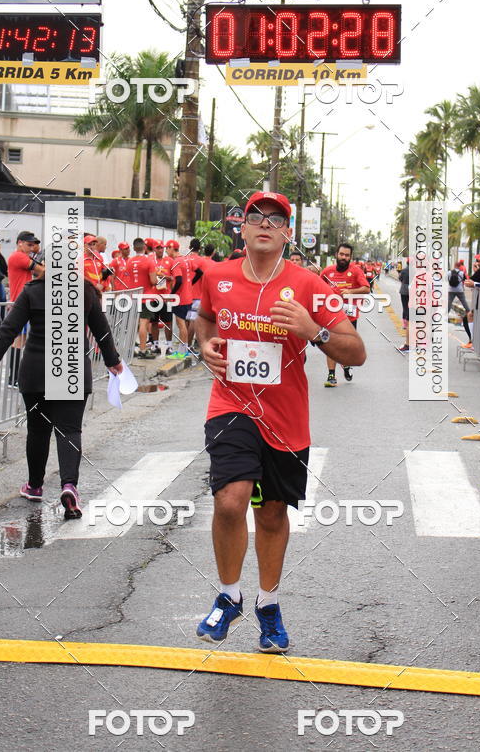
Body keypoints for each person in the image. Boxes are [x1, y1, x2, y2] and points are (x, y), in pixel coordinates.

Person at [195, 190, 365, 652]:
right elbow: (205, 319)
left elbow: (357, 352)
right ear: (242, 227)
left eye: (277, 218)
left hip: (286, 417)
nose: (265, 223)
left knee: (271, 514)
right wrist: (207, 345)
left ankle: (268, 605)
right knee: (231, 501)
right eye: (257, 216)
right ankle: (229, 595)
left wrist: (314, 330)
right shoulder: (218, 275)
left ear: (287, 232)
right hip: (230, 405)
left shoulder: (309, 285)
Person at [0, 275, 122, 519]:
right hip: (72, 369)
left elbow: (9, 328)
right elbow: (102, 330)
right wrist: (112, 360)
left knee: (38, 430)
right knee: (69, 430)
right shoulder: (85, 291)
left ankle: (35, 486)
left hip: (36, 370)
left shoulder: (33, 291)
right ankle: (69, 485)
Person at [320, 244, 370, 384]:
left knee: (346, 345)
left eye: (347, 255)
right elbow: (317, 285)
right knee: (329, 342)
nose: (343, 257)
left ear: (350, 257)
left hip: (350, 316)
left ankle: (346, 364)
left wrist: (351, 292)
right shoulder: (327, 271)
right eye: (341, 254)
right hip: (330, 314)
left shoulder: (356, 271)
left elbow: (366, 288)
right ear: (336, 254)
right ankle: (331, 375)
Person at [145, 241, 174, 356]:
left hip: (166, 296)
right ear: (154, 249)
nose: (161, 250)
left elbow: (173, 277)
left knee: (168, 322)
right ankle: (155, 345)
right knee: (154, 322)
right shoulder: (150, 261)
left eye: (162, 248)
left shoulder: (170, 261)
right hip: (153, 296)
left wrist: (164, 277)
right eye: (158, 248)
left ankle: (169, 346)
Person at [166, 240, 193, 359]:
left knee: (181, 325)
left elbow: (179, 280)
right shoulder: (185, 260)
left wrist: (171, 294)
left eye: (167, 248)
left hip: (180, 297)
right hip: (188, 296)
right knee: (184, 325)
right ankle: (184, 350)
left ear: (172, 249)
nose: (166, 251)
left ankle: (182, 352)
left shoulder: (176, 262)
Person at [447, 260, 472, 348]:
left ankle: (445, 314)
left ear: (454, 265)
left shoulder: (449, 272)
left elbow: (446, 279)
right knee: (464, 301)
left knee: (449, 302)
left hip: (451, 290)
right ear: (459, 266)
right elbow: (464, 280)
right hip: (459, 290)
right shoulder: (461, 272)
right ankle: (468, 311)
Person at [398, 259, 410, 352]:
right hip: (412, 291)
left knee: (405, 307)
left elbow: (400, 279)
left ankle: (405, 324)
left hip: (404, 290)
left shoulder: (404, 270)